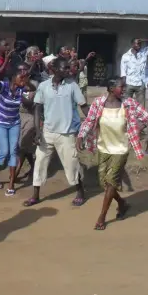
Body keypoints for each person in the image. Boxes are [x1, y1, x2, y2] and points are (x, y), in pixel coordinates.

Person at [77, 77, 148, 230]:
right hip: (103, 147)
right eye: (122, 86)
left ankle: (102, 217)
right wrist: (81, 135)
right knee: (104, 182)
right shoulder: (99, 103)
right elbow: (89, 121)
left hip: (121, 149)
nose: (125, 89)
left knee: (112, 181)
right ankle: (122, 203)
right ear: (112, 88)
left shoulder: (129, 104)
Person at [23, 58, 88, 207]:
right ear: (55, 69)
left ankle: (80, 191)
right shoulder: (44, 86)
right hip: (47, 132)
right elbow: (38, 108)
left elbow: (83, 106)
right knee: (40, 163)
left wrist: (92, 122)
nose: (68, 70)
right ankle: (35, 195)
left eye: (68, 68)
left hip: (67, 133)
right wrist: (38, 131)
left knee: (72, 164)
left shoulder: (72, 85)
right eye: (65, 68)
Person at [0, 63, 34, 196]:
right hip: (1, 123)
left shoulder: (22, 90)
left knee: (14, 151)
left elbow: (32, 89)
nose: (23, 80)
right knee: (4, 151)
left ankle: (11, 183)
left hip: (14, 123)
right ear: (13, 77)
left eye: (24, 78)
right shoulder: (4, 86)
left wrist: (27, 82)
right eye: (20, 77)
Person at [120, 38, 148, 105]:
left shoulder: (144, 52)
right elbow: (123, 71)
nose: (139, 45)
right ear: (132, 44)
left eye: (140, 43)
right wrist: (123, 85)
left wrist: (144, 40)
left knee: (141, 106)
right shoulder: (125, 56)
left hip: (140, 84)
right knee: (127, 104)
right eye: (137, 43)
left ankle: (139, 116)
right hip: (129, 83)